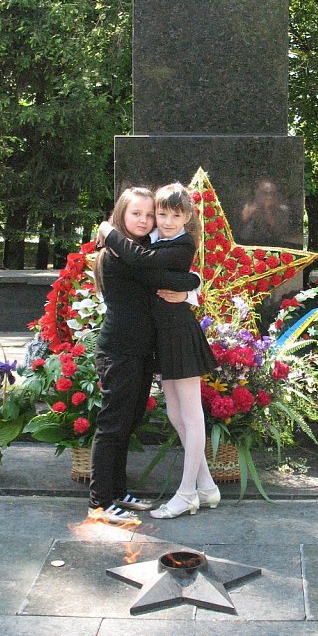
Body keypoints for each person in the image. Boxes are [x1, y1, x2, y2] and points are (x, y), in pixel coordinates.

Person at [98, 182, 220, 520]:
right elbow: (150, 269)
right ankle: (207, 485)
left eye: (170, 215)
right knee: (176, 416)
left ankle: (188, 492)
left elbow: (151, 266)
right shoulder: (148, 242)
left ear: (187, 218)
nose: (161, 221)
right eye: (158, 214)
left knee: (190, 416)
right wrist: (190, 283)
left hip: (179, 334)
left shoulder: (178, 243)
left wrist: (192, 285)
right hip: (157, 339)